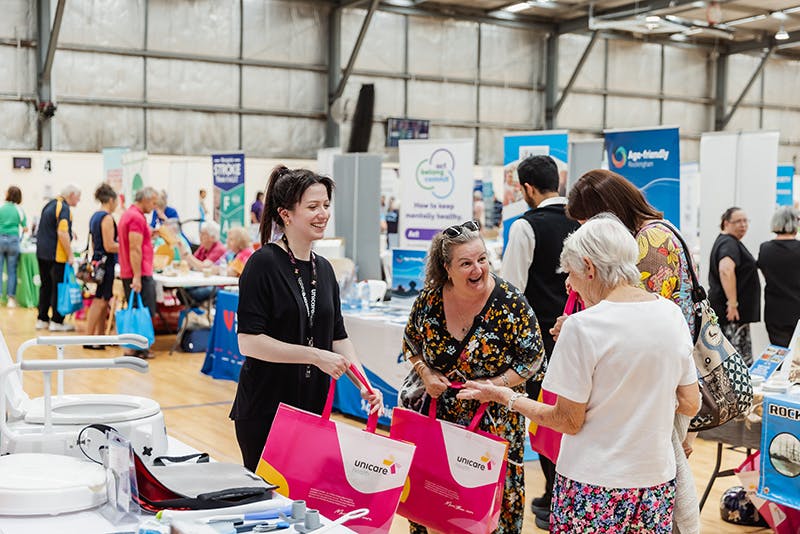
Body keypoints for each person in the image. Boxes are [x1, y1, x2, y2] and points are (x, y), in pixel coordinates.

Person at [458, 216, 700, 533]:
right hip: (655, 481)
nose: (569, 285)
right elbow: (690, 402)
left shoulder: (582, 327)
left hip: (594, 484)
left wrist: (507, 397)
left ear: (589, 267)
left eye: (570, 273)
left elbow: (567, 420)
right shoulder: (670, 314)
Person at [565, 169, 701, 532]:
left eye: (587, 222)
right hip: (662, 375)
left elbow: (641, 316)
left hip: (658, 379)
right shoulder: (658, 231)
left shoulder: (650, 239)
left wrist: (589, 324)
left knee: (661, 485)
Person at [231, 166, 382, 472]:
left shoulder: (324, 269)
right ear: (286, 214)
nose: (322, 214)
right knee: (272, 503)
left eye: (326, 206)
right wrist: (314, 357)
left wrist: (362, 382)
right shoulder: (262, 264)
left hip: (311, 408)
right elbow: (249, 342)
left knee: (305, 503)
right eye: (313, 207)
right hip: (266, 409)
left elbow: (338, 337)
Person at [399, 220, 544, 534]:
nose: (478, 268)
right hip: (439, 423)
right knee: (434, 503)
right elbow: (410, 343)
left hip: (494, 424)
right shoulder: (430, 300)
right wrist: (426, 373)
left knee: (488, 510)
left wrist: (494, 387)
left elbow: (533, 361)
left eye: (482, 259)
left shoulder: (510, 303)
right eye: (466, 263)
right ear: (446, 268)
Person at [501, 155, 579, 529]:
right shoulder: (582, 222)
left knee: (545, 418)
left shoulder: (524, 227)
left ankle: (554, 494)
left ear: (527, 189)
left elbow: (512, 290)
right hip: (580, 334)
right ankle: (566, 492)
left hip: (540, 341)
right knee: (574, 412)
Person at [708, 207, 760, 365]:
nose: (743, 225)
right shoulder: (729, 243)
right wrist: (732, 304)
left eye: (745, 221)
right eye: (738, 221)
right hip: (731, 315)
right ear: (726, 223)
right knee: (734, 362)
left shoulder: (729, 242)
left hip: (733, 314)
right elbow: (725, 270)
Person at [118, 186, 160, 359]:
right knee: (143, 312)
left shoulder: (130, 214)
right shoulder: (136, 217)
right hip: (139, 272)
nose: (154, 206)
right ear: (145, 199)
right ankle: (140, 348)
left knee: (136, 310)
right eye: (153, 202)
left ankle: (136, 347)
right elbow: (135, 248)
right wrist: (137, 276)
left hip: (132, 270)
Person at [35, 184, 81, 331]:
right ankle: (57, 321)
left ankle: (42, 319)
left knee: (46, 286)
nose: (79, 201)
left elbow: (53, 227)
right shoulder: (64, 208)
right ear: (71, 195)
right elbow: (62, 233)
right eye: (78, 197)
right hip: (55, 256)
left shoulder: (51, 204)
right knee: (58, 287)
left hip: (42, 253)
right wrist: (70, 254)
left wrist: (70, 231)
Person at [758, 206, 800, 347]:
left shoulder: (765, 248)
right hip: (797, 309)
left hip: (775, 312)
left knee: (780, 354)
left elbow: (765, 273)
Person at [84, 184, 119, 348]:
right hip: (106, 263)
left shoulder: (95, 216)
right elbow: (110, 245)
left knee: (103, 300)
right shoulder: (106, 218)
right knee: (100, 300)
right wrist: (127, 245)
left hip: (99, 261)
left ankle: (98, 337)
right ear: (111, 200)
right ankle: (89, 338)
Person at [0, 186, 27, 308]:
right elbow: (25, 228)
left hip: (0, 239)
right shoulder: (19, 210)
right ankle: (11, 299)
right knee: (12, 271)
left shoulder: (1, 207)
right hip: (13, 241)